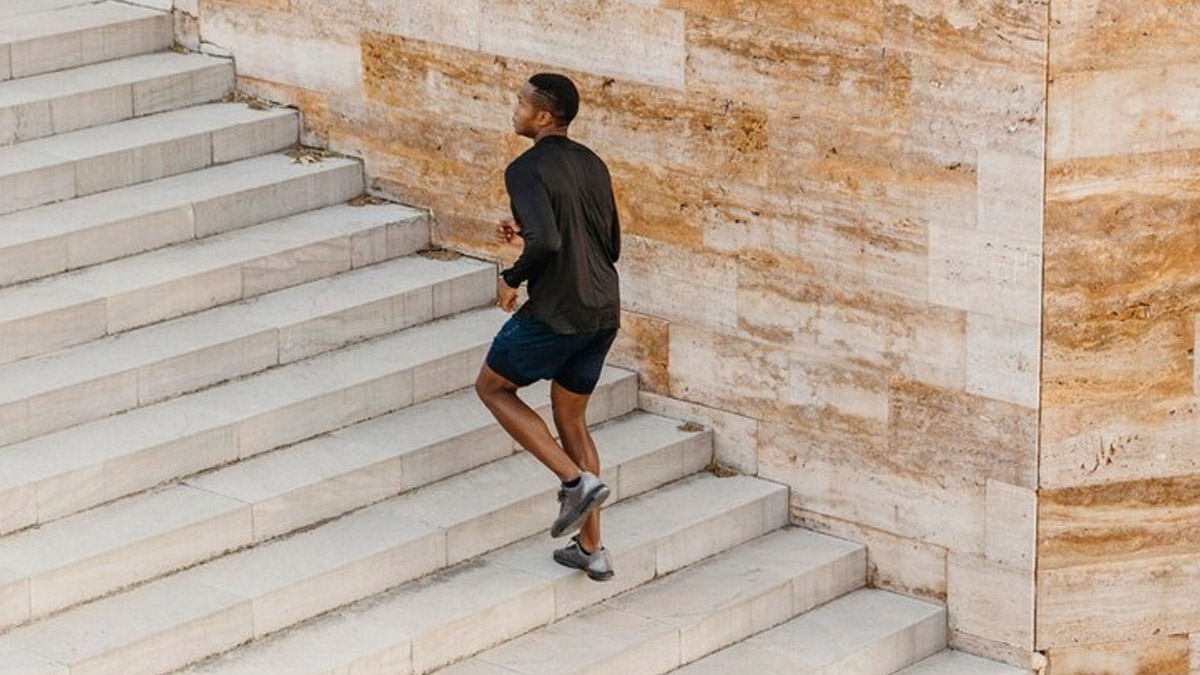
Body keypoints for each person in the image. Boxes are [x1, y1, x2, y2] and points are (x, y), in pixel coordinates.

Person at [475, 73, 622, 582]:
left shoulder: (524, 168)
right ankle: (593, 550)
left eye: (520, 103)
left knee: (493, 387)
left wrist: (511, 276)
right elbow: (606, 243)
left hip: (558, 312)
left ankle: (572, 482)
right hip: (604, 310)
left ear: (543, 117)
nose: (514, 109)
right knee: (572, 419)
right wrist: (529, 234)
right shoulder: (593, 164)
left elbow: (551, 246)